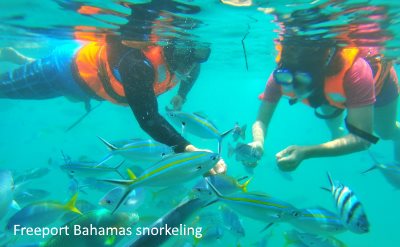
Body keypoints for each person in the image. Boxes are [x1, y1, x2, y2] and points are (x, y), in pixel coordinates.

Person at [0, 39, 226, 174]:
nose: (191, 61)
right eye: (185, 54)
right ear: (169, 47)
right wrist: (186, 148)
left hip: (92, 88)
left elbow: (193, 70)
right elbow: (149, 119)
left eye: (200, 54)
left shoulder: (189, 62)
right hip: (62, 72)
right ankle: (31, 63)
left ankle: (22, 59)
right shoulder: (139, 64)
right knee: (5, 88)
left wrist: (181, 96)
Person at [247, 39, 399, 171]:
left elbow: (363, 139)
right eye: (286, 77)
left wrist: (307, 152)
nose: (293, 86)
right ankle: (337, 131)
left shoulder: (356, 71)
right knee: (329, 113)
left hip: (379, 87)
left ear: (322, 74)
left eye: (301, 80)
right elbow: (261, 120)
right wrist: (258, 141)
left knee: (385, 132)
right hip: (332, 94)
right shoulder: (282, 75)